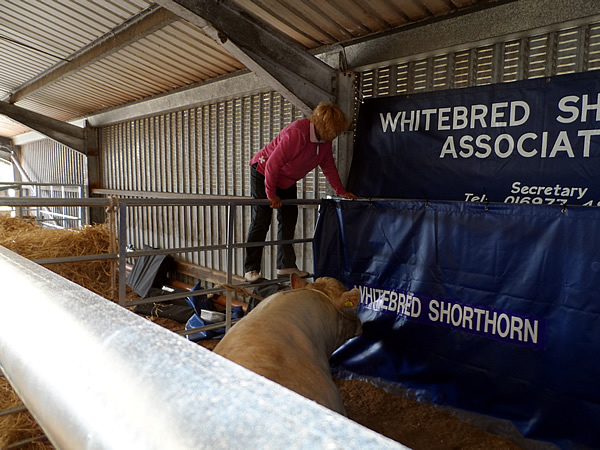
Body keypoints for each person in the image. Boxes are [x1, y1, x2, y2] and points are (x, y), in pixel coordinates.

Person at [244, 101, 356, 282]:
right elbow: (273, 164)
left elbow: (328, 167)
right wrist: (271, 194)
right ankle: (251, 268)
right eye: (337, 130)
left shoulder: (325, 142)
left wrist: (341, 191)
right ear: (327, 126)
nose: (338, 134)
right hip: (263, 171)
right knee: (262, 217)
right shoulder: (297, 134)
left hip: (287, 179)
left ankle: (285, 265)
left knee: (289, 217)